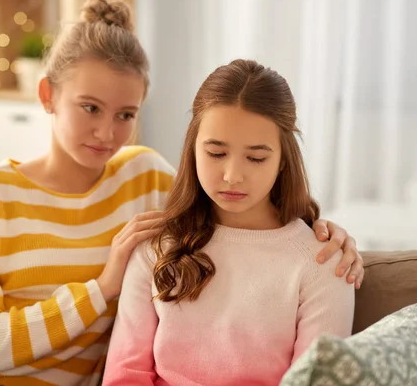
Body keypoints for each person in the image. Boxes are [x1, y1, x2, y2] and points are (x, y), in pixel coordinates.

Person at [0, 0, 362, 386]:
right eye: (89, 107)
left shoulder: (146, 178)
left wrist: (326, 232)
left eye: (126, 115)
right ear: (48, 95)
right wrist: (100, 289)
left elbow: (234, 206)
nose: (106, 133)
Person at [102, 59, 356, 386]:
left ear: (282, 162)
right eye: (216, 153)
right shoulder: (155, 249)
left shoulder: (323, 262)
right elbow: (124, 377)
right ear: (192, 150)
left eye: (256, 158)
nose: (232, 176)